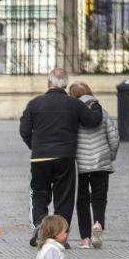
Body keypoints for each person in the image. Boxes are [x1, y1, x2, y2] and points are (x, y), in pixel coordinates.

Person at [19, 67, 103, 246]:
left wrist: (36, 146)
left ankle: (40, 232)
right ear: (65, 84)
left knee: (39, 194)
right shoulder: (74, 104)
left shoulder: (35, 103)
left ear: (48, 82)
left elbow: (24, 130)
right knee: (64, 197)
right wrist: (95, 104)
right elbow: (93, 120)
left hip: (40, 157)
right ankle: (59, 237)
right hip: (66, 156)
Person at [68, 82, 119, 249]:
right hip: (101, 162)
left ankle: (85, 239)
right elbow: (114, 137)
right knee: (99, 198)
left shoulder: (72, 114)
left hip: (80, 164)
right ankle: (98, 224)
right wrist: (110, 156)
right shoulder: (102, 113)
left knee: (81, 201)